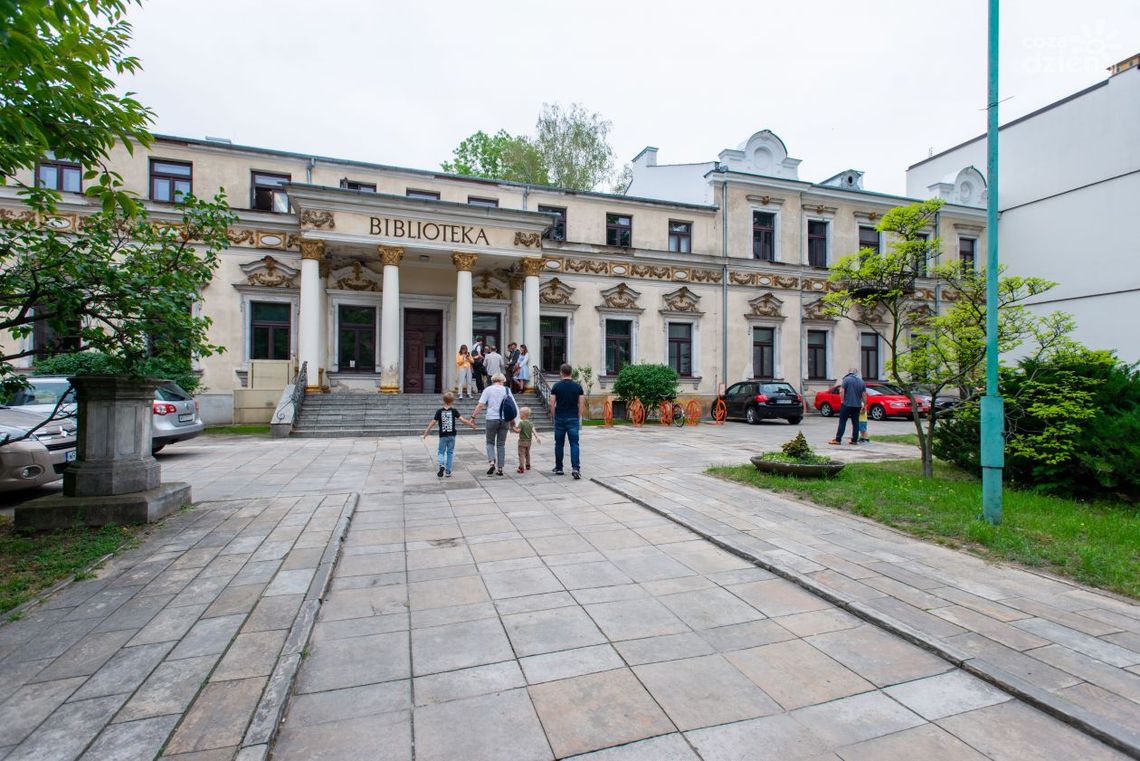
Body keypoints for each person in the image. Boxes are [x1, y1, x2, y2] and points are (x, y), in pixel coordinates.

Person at [471, 372, 516, 476]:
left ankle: (491, 463)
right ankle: (500, 468)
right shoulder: (507, 390)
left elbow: (480, 405)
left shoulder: (488, 390)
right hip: (505, 420)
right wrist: (513, 421)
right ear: (502, 380)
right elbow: (512, 406)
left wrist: (473, 417)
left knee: (489, 442)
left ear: (493, 380)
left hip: (491, 418)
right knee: (501, 444)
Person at [421, 392, 475, 478]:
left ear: (443, 400)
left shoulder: (439, 411)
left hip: (443, 436)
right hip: (452, 435)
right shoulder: (454, 411)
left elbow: (433, 422)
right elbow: (462, 420)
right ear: (452, 401)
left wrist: (426, 432)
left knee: (441, 452)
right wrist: (471, 424)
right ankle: (448, 472)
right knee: (450, 453)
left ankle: (441, 464)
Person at [548, 363, 585, 479]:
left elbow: (552, 403)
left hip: (560, 418)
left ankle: (559, 468)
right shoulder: (578, 387)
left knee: (559, 444)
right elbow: (581, 404)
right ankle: (575, 468)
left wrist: (554, 415)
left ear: (561, 373)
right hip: (573, 417)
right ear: (571, 373)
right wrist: (578, 415)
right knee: (574, 444)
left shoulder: (556, 386)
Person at [829, 368, 867, 445]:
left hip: (846, 404)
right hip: (857, 405)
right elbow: (864, 395)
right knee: (855, 423)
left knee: (842, 422)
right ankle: (854, 440)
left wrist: (842, 401)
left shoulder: (846, 379)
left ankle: (838, 439)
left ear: (849, 372)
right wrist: (865, 405)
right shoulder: (861, 381)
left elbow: (842, 391)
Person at [512, 406, 541, 473]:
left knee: (521, 454)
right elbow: (534, 431)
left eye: (520, 413)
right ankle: (528, 465)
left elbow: (518, 431)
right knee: (527, 454)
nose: (519, 415)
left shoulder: (521, 423)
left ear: (523, 415)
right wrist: (537, 437)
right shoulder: (530, 423)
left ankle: (521, 468)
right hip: (529, 442)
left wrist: (513, 428)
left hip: (522, 441)